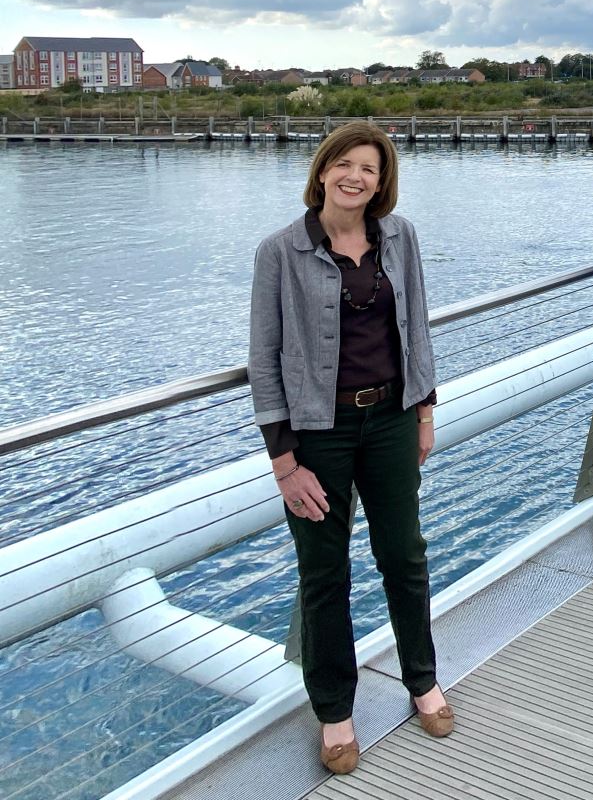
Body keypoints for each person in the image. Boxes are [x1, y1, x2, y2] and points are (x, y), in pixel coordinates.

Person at [249, 124, 453, 775]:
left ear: (380, 180)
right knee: (324, 574)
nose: (354, 177)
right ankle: (335, 711)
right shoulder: (280, 251)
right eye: (344, 164)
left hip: (392, 420)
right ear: (323, 171)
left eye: (368, 168)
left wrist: (424, 411)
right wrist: (285, 463)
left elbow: (416, 324)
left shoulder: (401, 237)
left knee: (404, 556)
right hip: (317, 435)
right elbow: (264, 359)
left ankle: (422, 680)